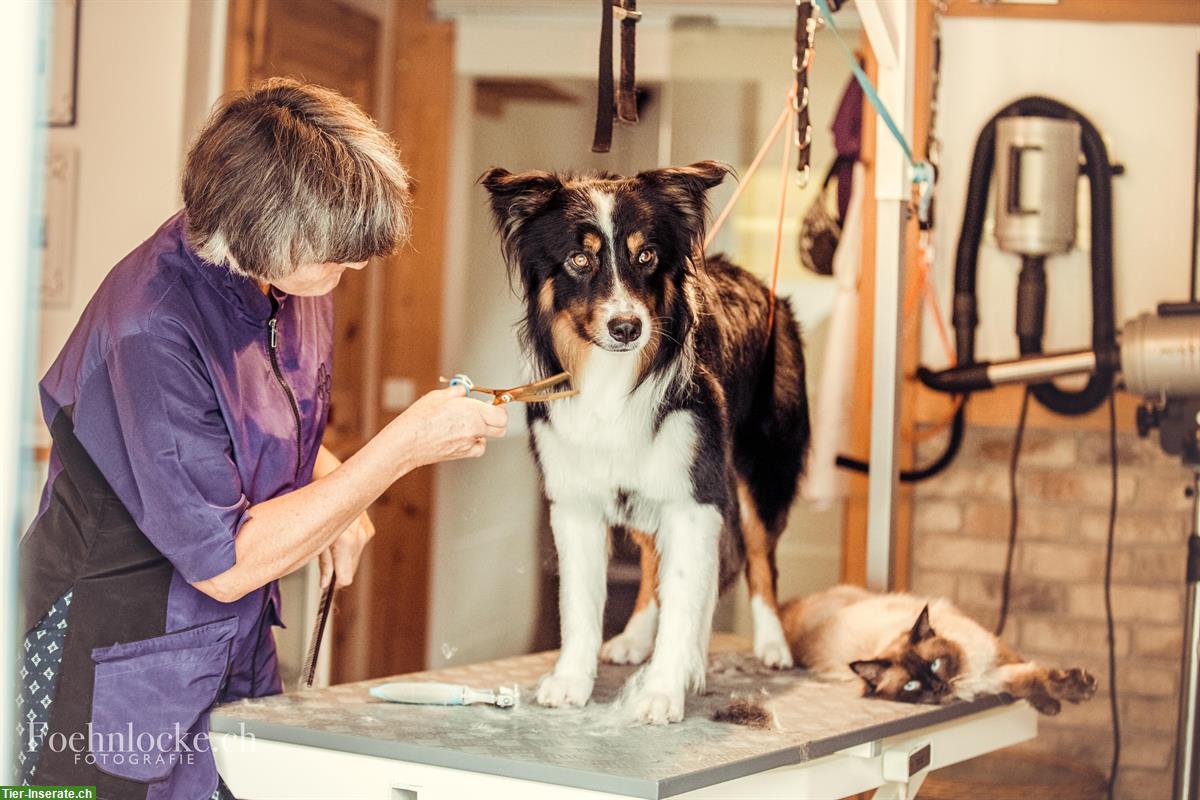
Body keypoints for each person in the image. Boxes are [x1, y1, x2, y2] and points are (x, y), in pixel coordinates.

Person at [16, 78, 507, 800]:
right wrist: (397, 451)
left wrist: (329, 485)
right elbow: (224, 562)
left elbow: (265, 424)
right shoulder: (151, 327)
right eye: (335, 256)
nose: (353, 269)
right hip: (110, 662)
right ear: (258, 230)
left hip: (229, 647)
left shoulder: (288, 282)